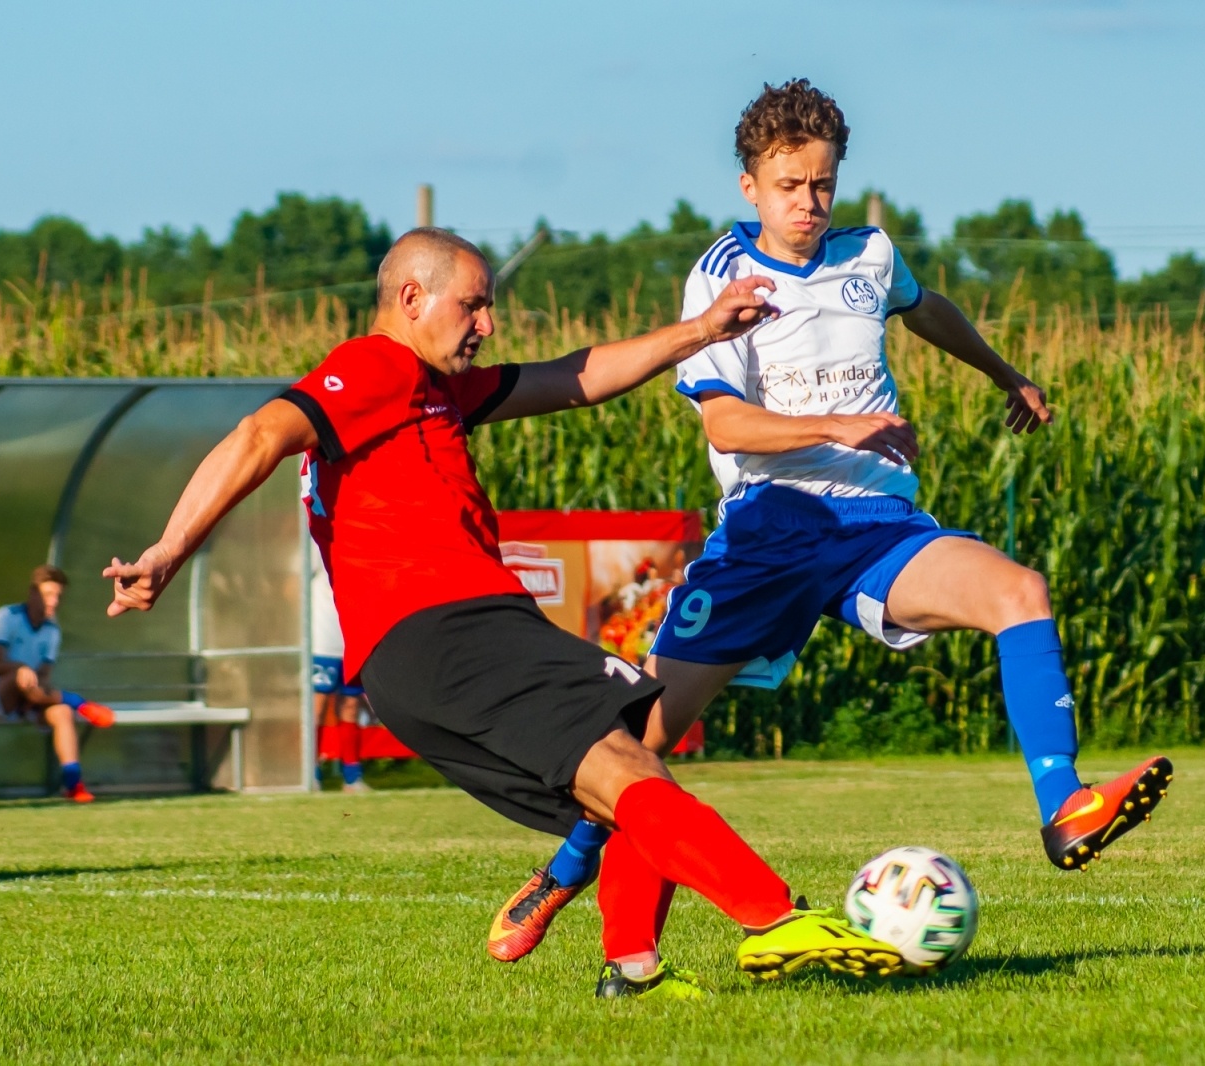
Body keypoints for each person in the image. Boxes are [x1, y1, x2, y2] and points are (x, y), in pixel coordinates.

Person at [103, 226, 903, 999]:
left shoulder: (433, 389)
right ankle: (777, 919)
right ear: (412, 297)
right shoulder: (375, 365)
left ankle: (631, 969)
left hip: (414, 655)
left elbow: (570, 377)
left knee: (624, 772)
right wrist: (170, 549)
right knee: (627, 763)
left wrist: (699, 330)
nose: (488, 325)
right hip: (450, 625)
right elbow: (260, 433)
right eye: (474, 306)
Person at [489, 79, 1175, 973]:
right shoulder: (725, 279)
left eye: (821, 183)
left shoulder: (871, 258)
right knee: (642, 743)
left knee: (1018, 590)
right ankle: (567, 879)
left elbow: (925, 308)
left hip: (877, 525)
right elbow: (726, 425)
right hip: (768, 533)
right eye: (789, 185)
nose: (808, 203)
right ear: (750, 187)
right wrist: (836, 426)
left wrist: (1005, 374)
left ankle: (1064, 805)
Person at [0, 564, 116, 802]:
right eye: (48, 594)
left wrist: (33, 689)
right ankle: (80, 703)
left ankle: (73, 784)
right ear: (33, 593)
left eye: (59, 596)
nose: (54, 601)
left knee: (61, 713)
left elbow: (44, 675)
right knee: (20, 676)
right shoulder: (5, 617)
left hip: (30, 697)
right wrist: (21, 669)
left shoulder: (52, 630)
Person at [309, 562, 370, 792]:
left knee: (351, 706)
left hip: (350, 640)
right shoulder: (314, 543)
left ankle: (352, 777)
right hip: (321, 641)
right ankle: (310, 774)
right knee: (317, 707)